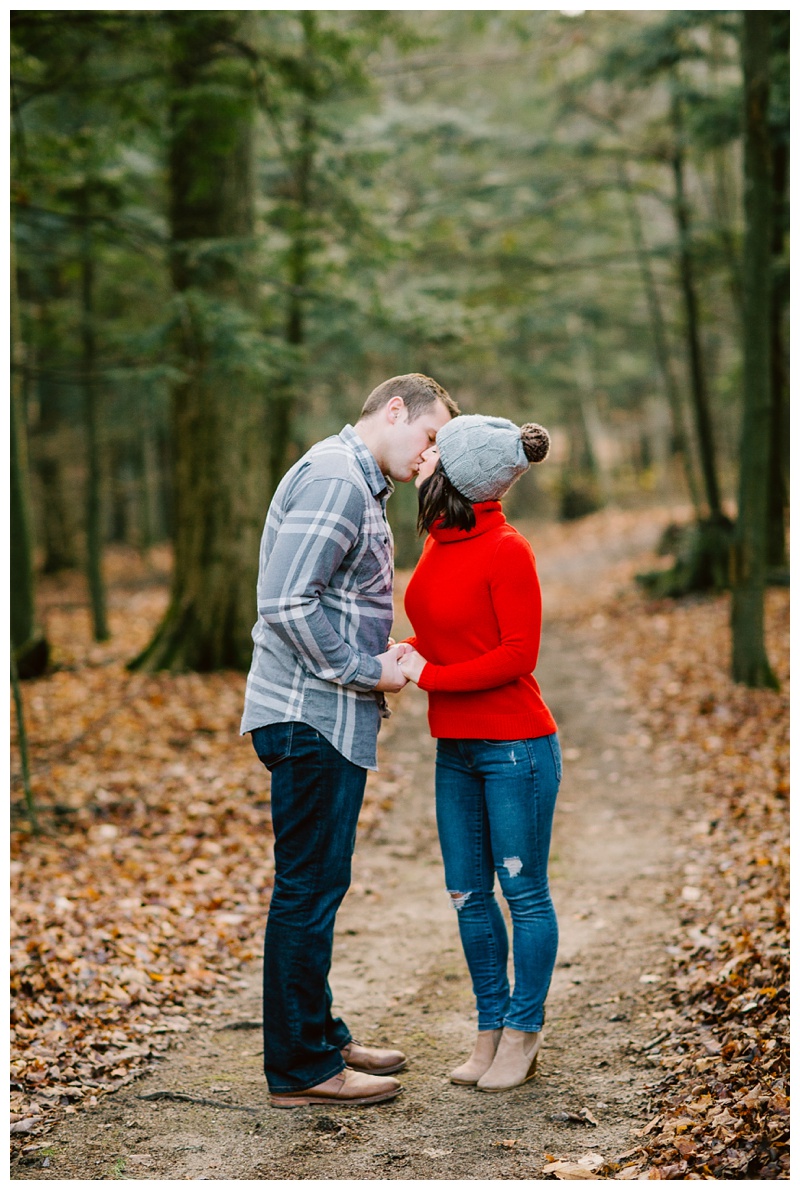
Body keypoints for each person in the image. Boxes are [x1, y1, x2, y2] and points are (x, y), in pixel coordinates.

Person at [241, 374, 458, 1108]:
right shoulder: (337, 479)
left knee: (320, 885)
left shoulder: (356, 483)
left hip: (323, 713)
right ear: (394, 410)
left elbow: (323, 598)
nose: (429, 457)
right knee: (307, 890)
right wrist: (368, 669)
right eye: (429, 436)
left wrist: (379, 652)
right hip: (308, 717)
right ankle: (302, 1069)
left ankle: (319, 1036)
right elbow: (284, 602)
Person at [397, 414, 561, 1092]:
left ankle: (523, 1033)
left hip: (516, 747)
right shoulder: (439, 541)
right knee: (467, 894)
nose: (424, 454)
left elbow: (518, 655)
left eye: (437, 448)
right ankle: (489, 1026)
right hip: (456, 749)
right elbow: (451, 633)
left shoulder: (506, 548)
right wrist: (410, 653)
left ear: (459, 473)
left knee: (523, 893)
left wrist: (427, 675)